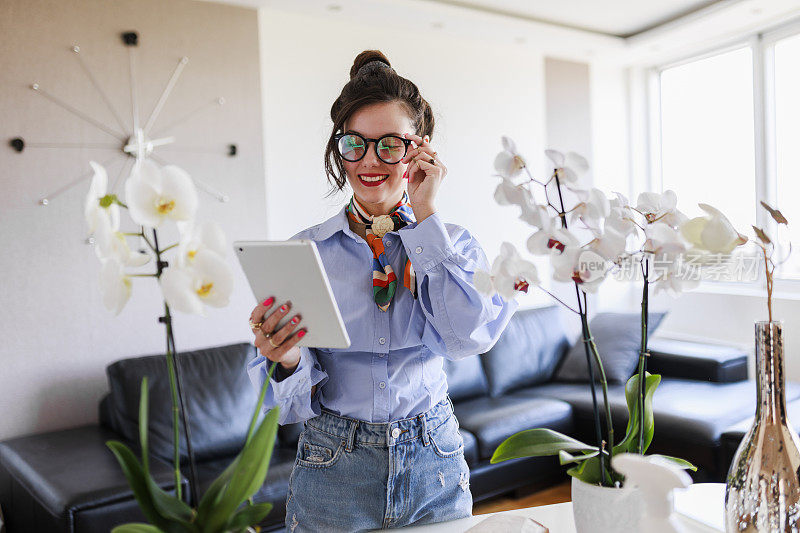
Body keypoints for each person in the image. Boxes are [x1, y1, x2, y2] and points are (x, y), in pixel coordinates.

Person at [246, 50, 518, 532]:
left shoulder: (453, 244)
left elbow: (467, 339)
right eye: (355, 144)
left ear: (420, 151)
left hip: (434, 456)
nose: (370, 161)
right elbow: (283, 404)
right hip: (333, 462)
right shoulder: (306, 252)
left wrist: (426, 217)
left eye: (390, 145)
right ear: (339, 149)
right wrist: (284, 359)